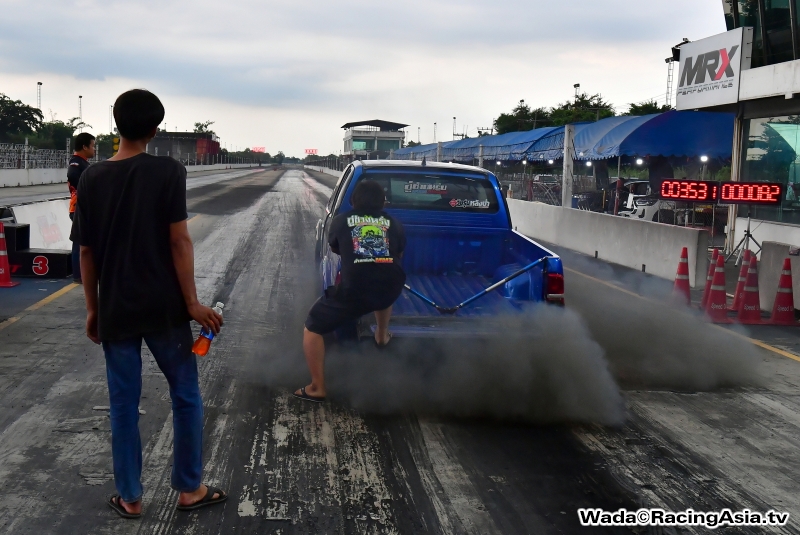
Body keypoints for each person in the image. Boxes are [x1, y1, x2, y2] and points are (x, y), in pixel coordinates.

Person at [70, 89, 227, 519]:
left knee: (123, 404)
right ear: (155, 130)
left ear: (115, 126)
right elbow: (179, 241)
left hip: (117, 309)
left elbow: (87, 252)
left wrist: (93, 309)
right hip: (164, 308)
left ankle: (131, 497)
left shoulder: (92, 179)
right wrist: (192, 303)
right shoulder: (168, 171)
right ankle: (190, 489)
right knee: (185, 395)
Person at [294, 180, 406, 403]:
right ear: (383, 202)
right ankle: (381, 335)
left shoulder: (341, 221)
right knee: (384, 282)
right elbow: (398, 254)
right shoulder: (394, 223)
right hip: (392, 286)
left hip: (355, 290)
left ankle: (317, 387)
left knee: (312, 326)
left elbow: (336, 248)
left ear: (353, 201)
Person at [67, 132, 95, 284]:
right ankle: (78, 275)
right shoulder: (76, 163)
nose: (94, 149)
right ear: (84, 147)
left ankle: (84, 272)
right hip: (78, 206)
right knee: (79, 242)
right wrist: (85, 190)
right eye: (93, 146)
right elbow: (72, 176)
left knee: (85, 241)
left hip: (85, 206)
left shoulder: (84, 163)